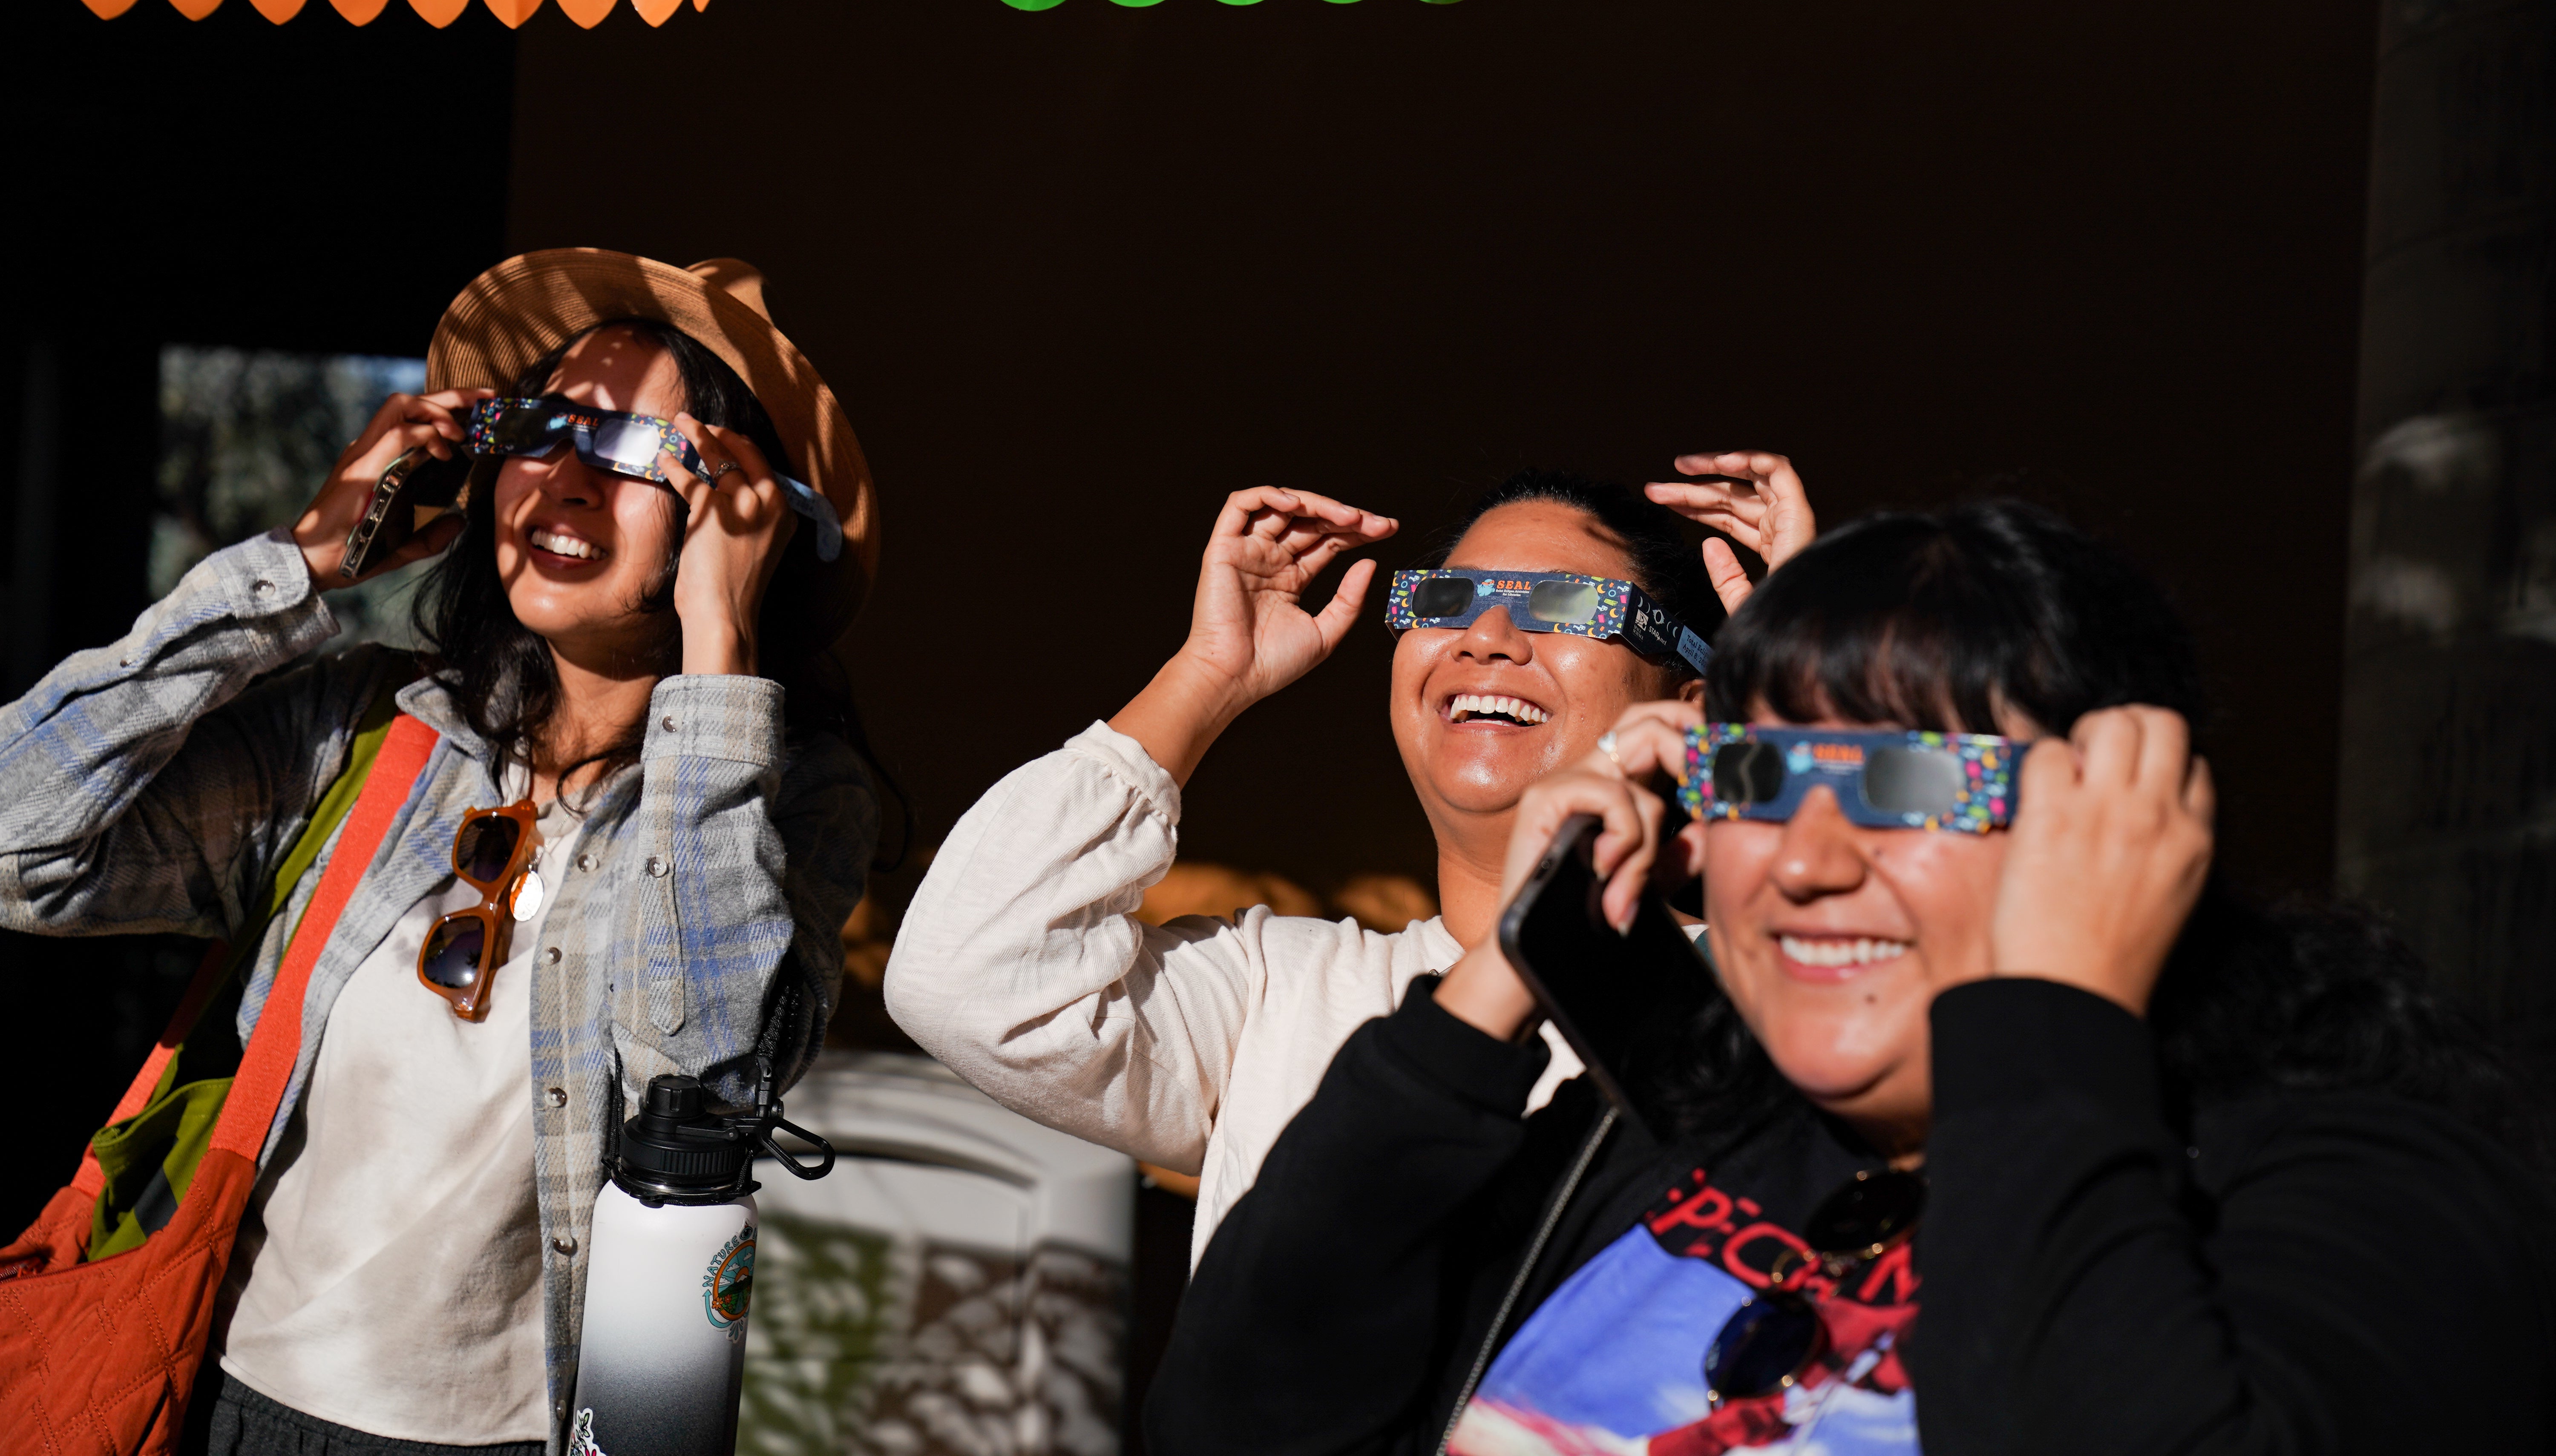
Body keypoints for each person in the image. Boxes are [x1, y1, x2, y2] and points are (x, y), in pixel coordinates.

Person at [1146, 500, 2556, 1456]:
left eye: (1907, 780)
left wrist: (2050, 1031)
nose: (1806, 862)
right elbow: (1242, 1413)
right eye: (1761, 774)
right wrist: (1518, 964)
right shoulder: (1680, 1140)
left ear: (2119, 812)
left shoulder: (2345, 1180)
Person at [0, 251, 882, 1455]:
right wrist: (294, 568)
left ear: (744, 513)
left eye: (636, 451)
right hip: (221, 1407)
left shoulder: (789, 806)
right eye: (544, 426)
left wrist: (718, 643)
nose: (567, 478)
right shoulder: (361, 731)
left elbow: (706, 1074)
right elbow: (18, 841)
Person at [884, 454, 1817, 1258]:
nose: (1487, 637)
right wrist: (1207, 675)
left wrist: (1826, 717)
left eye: (1569, 603)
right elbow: (968, 974)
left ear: (1694, 703)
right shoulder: (1278, 998)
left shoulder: (1790, 993)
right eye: (1447, 599)